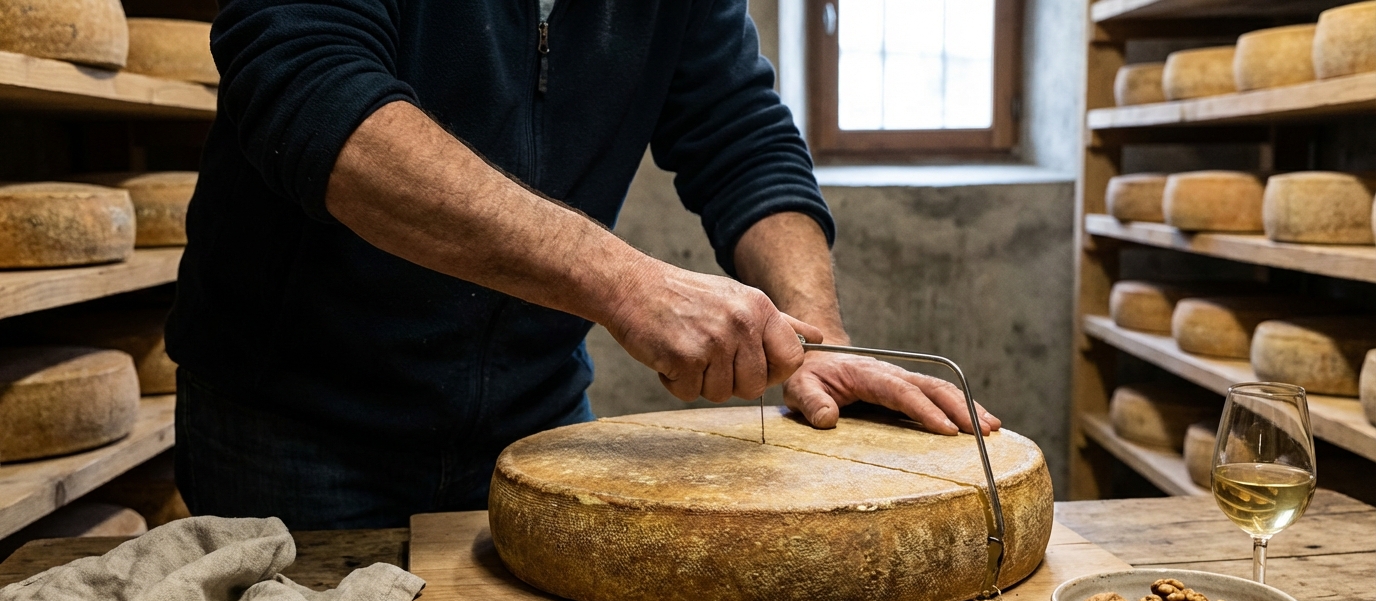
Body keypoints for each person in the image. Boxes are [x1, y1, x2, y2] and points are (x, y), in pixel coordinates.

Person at [166, 0, 1000, 529]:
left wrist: (820, 339)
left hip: (533, 413)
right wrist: (629, 283)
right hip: (298, 419)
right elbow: (313, 95)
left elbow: (740, 134)